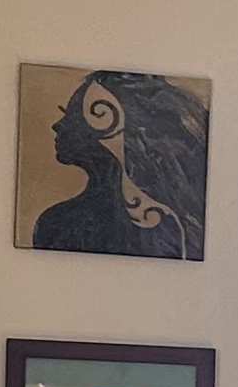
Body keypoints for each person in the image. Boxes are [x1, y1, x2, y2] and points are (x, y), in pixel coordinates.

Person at [30, 69, 207, 259]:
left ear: (109, 128)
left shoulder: (58, 223)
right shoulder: (163, 221)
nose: (57, 125)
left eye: (70, 115)